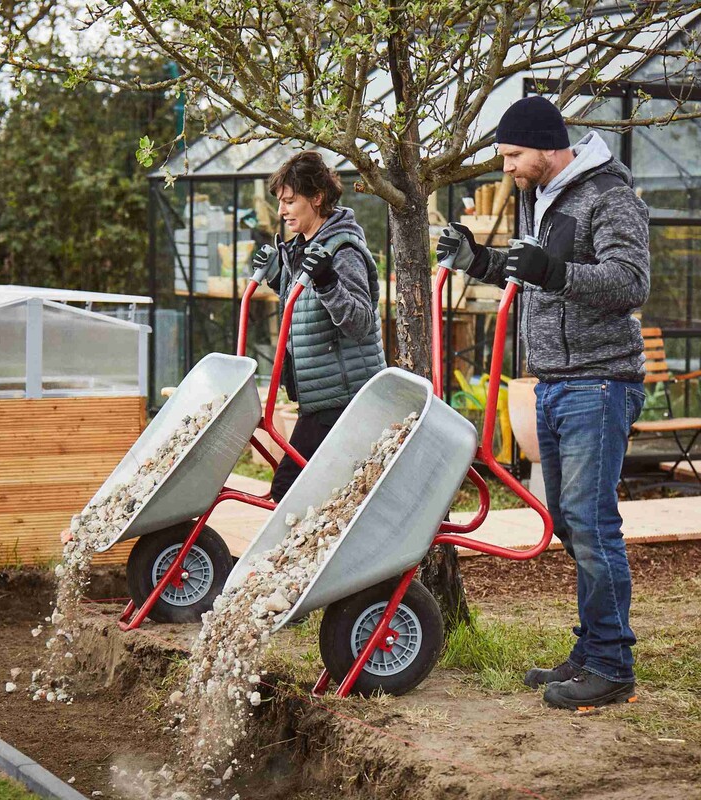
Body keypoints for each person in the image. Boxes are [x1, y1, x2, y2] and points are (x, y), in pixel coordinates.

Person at [436, 96, 650, 710]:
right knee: (567, 520)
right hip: (554, 380)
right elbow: (533, 272)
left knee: (591, 521)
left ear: (550, 148)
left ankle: (612, 665)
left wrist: (555, 273)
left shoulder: (607, 195)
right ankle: (590, 650)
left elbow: (630, 282)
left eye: (512, 155)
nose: (505, 167)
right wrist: (476, 260)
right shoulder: (541, 195)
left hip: (600, 380)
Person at [250, 151, 386, 502]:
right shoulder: (303, 247)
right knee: (321, 497)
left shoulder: (342, 250)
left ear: (317, 197)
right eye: (280, 202)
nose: (282, 211)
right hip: (319, 399)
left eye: (290, 201)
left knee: (287, 492)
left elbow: (360, 322)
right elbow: (307, 310)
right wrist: (278, 276)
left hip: (342, 399)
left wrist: (328, 282)